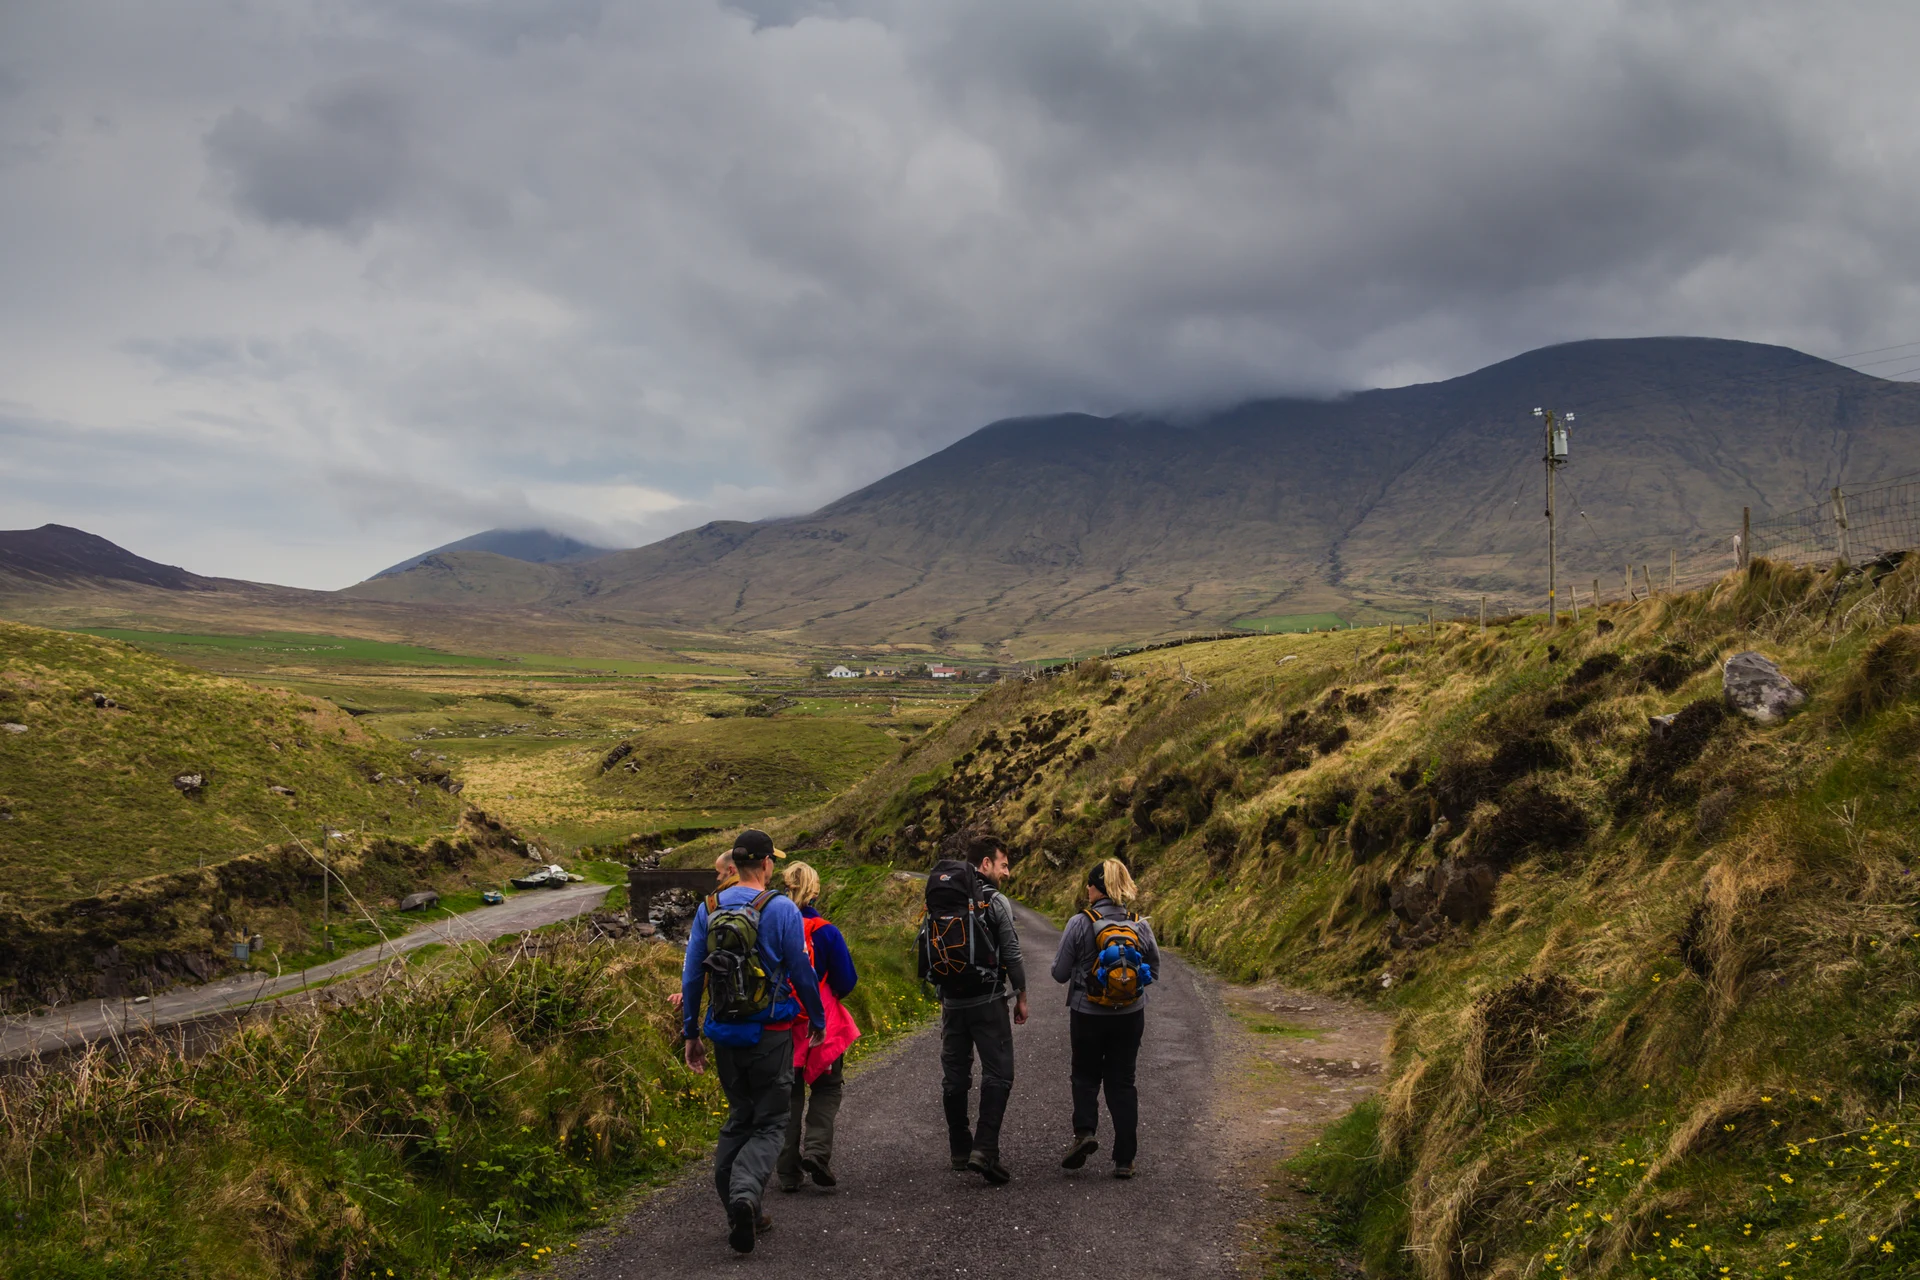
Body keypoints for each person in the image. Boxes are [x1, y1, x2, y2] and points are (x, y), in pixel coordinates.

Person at [680, 829, 826, 1254]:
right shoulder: (780, 908)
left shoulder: (708, 907)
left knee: (739, 1118)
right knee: (770, 1122)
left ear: (736, 864)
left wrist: (691, 1033)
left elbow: (692, 977)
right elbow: (800, 969)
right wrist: (816, 1019)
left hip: (724, 1034)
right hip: (771, 1033)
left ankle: (743, 1211)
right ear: (765, 864)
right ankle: (746, 1196)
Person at [1049, 858, 1159, 1179]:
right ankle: (1125, 1159)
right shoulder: (1140, 923)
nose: (1086, 888)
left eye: (1089, 883)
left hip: (1087, 1015)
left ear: (1099, 887)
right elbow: (1154, 970)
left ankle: (1084, 1134)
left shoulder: (1080, 923)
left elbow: (1058, 974)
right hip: (1130, 1016)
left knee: (1085, 1075)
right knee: (1122, 1082)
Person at [931, 827, 1028, 1184]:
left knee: (955, 1077)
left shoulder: (943, 898)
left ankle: (959, 1149)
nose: (1007, 872)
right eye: (1003, 865)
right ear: (986, 863)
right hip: (988, 1000)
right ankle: (984, 1149)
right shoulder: (995, 902)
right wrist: (1021, 994)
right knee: (998, 1072)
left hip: (952, 1002)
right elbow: (1013, 953)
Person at [774, 860, 860, 1192]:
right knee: (827, 1088)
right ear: (815, 889)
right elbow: (846, 980)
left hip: (782, 1021)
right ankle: (817, 1152)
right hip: (821, 1021)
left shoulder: (774, 926)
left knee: (788, 1095)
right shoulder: (826, 931)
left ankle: (787, 1172)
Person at [669, 850, 741, 1013]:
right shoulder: (776, 905)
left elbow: (699, 966)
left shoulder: (710, 907)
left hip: (723, 1011)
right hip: (773, 1015)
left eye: (719, 873)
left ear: (731, 870)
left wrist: (690, 1028)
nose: (717, 878)